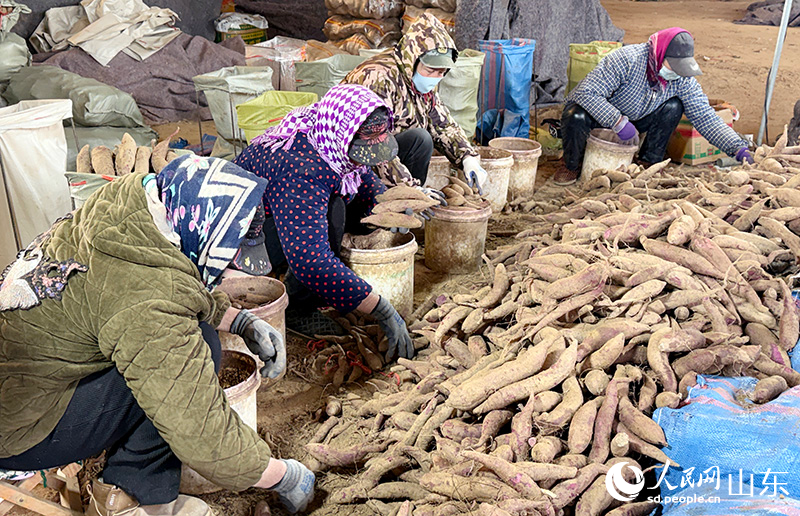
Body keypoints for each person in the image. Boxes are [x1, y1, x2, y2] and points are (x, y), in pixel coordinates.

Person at [0, 156, 315, 516]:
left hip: (20, 377)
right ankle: (126, 499)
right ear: (201, 231)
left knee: (189, 345)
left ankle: (135, 487)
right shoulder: (149, 303)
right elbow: (201, 433)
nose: (231, 273)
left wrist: (237, 320)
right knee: (184, 373)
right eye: (227, 260)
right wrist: (283, 476)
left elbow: (148, 279)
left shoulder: (131, 200)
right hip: (20, 429)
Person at [233, 84, 415, 360]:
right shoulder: (301, 167)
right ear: (345, 137)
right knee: (334, 213)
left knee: (340, 207)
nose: (366, 157)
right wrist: (382, 310)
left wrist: (389, 205)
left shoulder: (332, 134)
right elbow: (310, 260)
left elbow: (363, 177)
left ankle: (331, 285)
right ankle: (298, 308)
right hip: (247, 238)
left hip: (286, 215)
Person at [555, 28, 753, 185]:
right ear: (659, 54)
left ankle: (648, 162)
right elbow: (585, 93)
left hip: (637, 119)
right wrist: (617, 121)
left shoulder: (682, 79)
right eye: (673, 65)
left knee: (674, 106)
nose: (677, 72)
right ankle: (571, 164)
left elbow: (704, 116)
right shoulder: (626, 60)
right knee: (575, 114)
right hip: (600, 117)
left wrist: (736, 148)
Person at [341, 12, 488, 194]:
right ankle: (382, 202)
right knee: (420, 138)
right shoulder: (378, 78)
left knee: (420, 140)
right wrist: (410, 188)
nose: (435, 77)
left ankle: (407, 202)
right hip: (355, 156)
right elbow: (373, 142)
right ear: (413, 60)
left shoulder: (420, 81)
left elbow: (442, 125)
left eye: (441, 72)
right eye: (430, 70)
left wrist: (467, 157)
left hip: (387, 149)